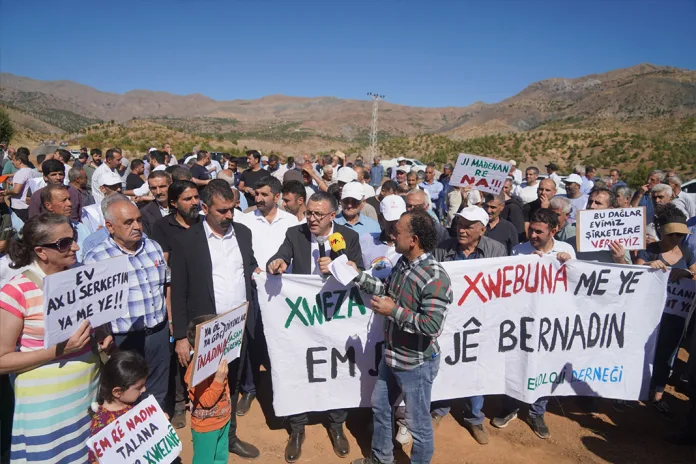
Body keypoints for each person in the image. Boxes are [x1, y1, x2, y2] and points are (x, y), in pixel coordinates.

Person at [0, 214, 107, 463]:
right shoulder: (16, 291)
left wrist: (101, 332)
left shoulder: (82, 276)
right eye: (64, 243)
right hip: (45, 414)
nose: (76, 247)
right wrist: (58, 351)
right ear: (41, 252)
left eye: (75, 239)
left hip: (86, 399)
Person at [267, 191, 364, 462]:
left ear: (333, 215)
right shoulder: (294, 233)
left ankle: (336, 424)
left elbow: (360, 272)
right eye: (309, 213)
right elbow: (278, 257)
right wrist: (276, 263)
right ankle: (297, 428)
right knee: (299, 368)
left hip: (336, 318)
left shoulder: (348, 237)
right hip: (301, 321)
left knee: (336, 370)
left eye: (318, 214)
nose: (311, 219)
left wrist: (339, 266)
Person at [350, 209, 453, 464]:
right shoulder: (403, 263)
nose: (392, 235)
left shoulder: (435, 276)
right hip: (392, 355)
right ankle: (381, 459)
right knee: (381, 408)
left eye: (398, 231)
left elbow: (432, 326)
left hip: (416, 364)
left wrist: (392, 311)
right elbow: (386, 290)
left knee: (418, 425)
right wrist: (357, 275)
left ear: (414, 239)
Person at [170, 183, 260, 460]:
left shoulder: (243, 234)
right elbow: (179, 289)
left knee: (231, 384)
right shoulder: (187, 241)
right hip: (205, 331)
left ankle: (229, 436)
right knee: (206, 389)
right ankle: (208, 445)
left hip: (239, 326)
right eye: (222, 210)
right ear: (205, 209)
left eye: (232, 208)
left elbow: (250, 268)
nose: (229, 215)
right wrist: (182, 338)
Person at [491, 208, 575, 439]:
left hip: (551, 321)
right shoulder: (519, 250)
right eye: (531, 230)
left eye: (539, 232)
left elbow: (575, 286)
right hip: (521, 320)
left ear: (554, 231)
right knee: (516, 362)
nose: (533, 235)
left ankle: (537, 412)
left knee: (544, 366)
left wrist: (566, 265)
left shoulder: (567, 250)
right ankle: (511, 407)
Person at [83, 199, 170, 409]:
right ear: (110, 227)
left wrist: (171, 321)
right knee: (128, 393)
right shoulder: (97, 258)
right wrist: (102, 331)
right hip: (124, 340)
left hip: (158, 333)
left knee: (158, 388)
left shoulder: (153, 246)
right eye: (128, 222)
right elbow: (93, 305)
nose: (137, 227)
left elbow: (166, 284)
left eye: (139, 220)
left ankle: (157, 429)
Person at [430, 206, 506, 445]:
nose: (462, 230)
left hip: (481, 320)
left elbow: (504, 283)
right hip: (448, 319)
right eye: (460, 224)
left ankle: (474, 417)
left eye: (468, 226)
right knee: (444, 363)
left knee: (476, 366)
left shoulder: (496, 250)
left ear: (482, 229)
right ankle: (439, 409)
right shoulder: (442, 249)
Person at [234, 176, 298, 413]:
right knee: (252, 339)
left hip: (282, 292)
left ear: (277, 197)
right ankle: (250, 389)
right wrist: (254, 270)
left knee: (280, 341)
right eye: (256, 194)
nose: (258, 199)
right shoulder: (245, 220)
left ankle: (280, 389)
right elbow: (240, 253)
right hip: (253, 289)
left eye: (264, 195)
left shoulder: (291, 221)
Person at [635, 204, 696, 415]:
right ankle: (636, 388)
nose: (677, 238)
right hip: (649, 314)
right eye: (673, 234)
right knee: (643, 350)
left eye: (681, 234)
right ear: (661, 230)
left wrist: (688, 273)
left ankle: (658, 394)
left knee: (667, 353)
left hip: (675, 316)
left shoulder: (686, 251)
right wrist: (648, 267)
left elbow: (695, 274)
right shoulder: (650, 250)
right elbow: (635, 272)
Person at [185, 318, 233, 464]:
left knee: (220, 457)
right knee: (204, 461)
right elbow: (206, 401)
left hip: (223, 420)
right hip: (206, 428)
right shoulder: (194, 372)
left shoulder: (217, 361)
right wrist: (218, 379)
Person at [88, 350, 149, 464]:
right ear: (117, 392)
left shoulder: (134, 404)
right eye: (139, 387)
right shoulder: (102, 426)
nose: (144, 390)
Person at [571, 187, 631, 265]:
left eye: (598, 203)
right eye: (590, 202)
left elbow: (629, 270)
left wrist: (619, 259)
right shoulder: (571, 229)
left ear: (610, 209)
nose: (592, 206)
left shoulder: (619, 235)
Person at [39, 184, 91, 262]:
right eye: (63, 200)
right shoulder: (41, 234)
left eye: (69, 199)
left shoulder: (81, 228)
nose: (69, 204)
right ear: (49, 206)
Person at [28, 159, 84, 223]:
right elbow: (34, 222)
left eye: (60, 174)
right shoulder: (38, 196)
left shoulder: (74, 192)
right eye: (53, 175)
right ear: (45, 177)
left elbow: (80, 216)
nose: (58, 177)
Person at [1, 147, 36, 222]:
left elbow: (16, 191)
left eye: (13, 160)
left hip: (20, 206)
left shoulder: (20, 173)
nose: (12, 162)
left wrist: (7, 192)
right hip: (29, 205)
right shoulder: (33, 172)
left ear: (19, 161)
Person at [140, 171, 173, 237]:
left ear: (171, 185)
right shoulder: (145, 213)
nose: (158, 192)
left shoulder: (182, 206)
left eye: (162, 186)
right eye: (154, 188)